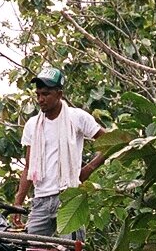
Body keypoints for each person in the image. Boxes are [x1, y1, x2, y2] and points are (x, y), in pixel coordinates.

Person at [13, 66, 107, 238]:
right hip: (40, 200)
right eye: (38, 94)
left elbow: (110, 142)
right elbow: (28, 167)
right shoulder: (32, 125)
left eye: (46, 94)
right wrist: (18, 202)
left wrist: (88, 170)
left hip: (68, 196)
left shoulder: (77, 117)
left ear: (59, 94)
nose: (41, 99)